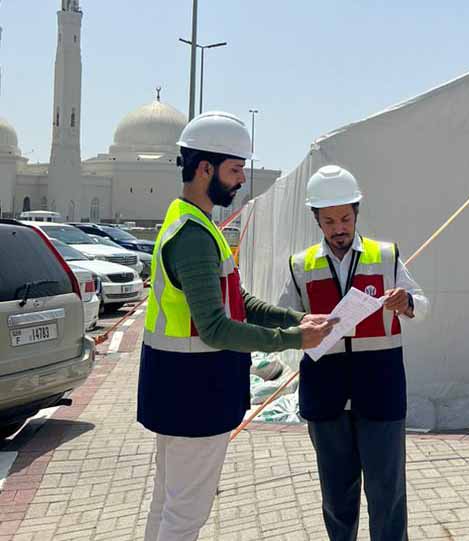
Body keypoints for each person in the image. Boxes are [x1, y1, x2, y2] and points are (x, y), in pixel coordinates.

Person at [138, 111, 338, 541]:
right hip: (194, 394)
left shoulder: (193, 222)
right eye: (235, 169)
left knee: (168, 505)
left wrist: (294, 317)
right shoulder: (193, 236)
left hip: (178, 389)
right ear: (205, 168)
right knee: (186, 514)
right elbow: (215, 327)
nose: (241, 179)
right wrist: (292, 339)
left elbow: (236, 300)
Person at [278, 165, 429, 541]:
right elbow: (283, 319)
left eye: (345, 217)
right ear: (317, 220)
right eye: (329, 221)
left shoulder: (385, 255)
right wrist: (302, 329)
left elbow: (423, 305)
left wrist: (405, 302)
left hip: (380, 392)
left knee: (387, 495)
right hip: (326, 397)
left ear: (357, 213)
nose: (339, 227)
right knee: (336, 497)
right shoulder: (301, 265)